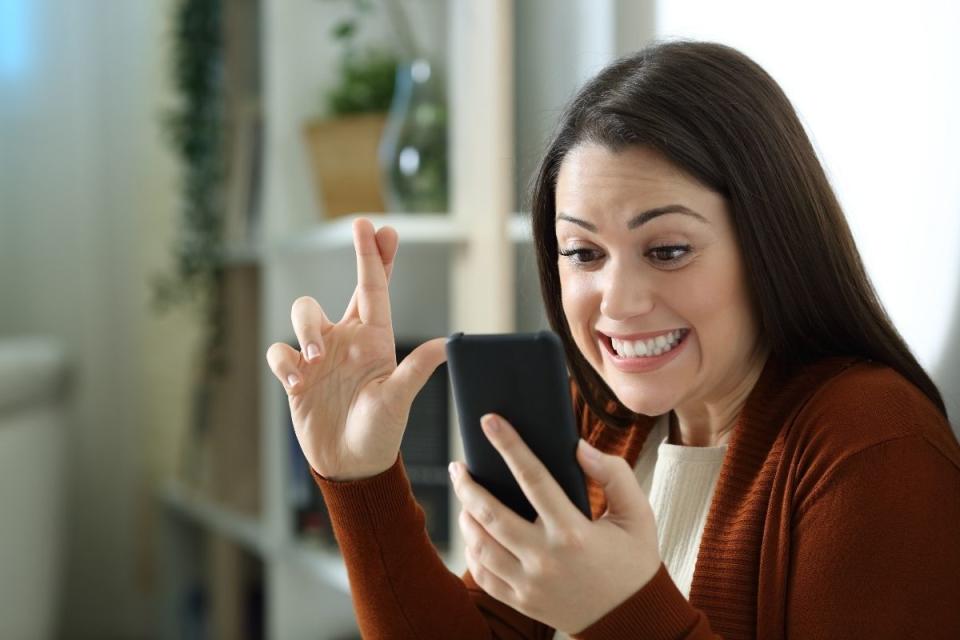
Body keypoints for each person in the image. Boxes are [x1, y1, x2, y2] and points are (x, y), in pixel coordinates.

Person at [265, 39, 960, 639]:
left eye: (668, 250)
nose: (617, 304)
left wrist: (620, 613)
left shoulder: (871, 444)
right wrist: (358, 478)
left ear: (770, 243)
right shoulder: (595, 421)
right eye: (584, 253)